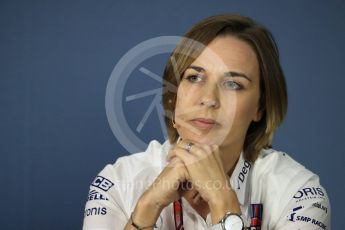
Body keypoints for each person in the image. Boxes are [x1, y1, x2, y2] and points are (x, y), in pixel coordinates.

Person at [83, 14, 330, 230]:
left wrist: (224, 203)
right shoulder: (116, 182)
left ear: (260, 107)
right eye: (194, 77)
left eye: (233, 84)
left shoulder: (300, 194)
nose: (208, 99)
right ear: (174, 96)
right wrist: (148, 207)